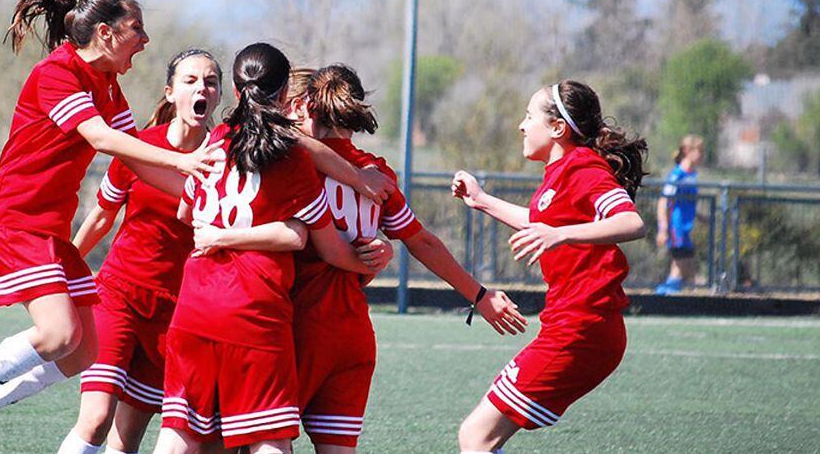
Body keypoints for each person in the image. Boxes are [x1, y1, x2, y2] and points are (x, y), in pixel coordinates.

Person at [0, 0, 223, 454]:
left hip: (50, 231)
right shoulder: (57, 73)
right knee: (59, 333)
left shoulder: (109, 88)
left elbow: (136, 162)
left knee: (83, 349)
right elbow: (102, 139)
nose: (144, 40)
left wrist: (209, 195)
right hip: (15, 219)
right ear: (105, 33)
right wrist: (182, 160)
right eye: (135, 28)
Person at [197, 64, 526, 453]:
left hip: (296, 329)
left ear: (303, 107)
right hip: (353, 335)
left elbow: (293, 235)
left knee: (236, 444)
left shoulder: (291, 162)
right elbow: (422, 242)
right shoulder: (378, 173)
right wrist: (479, 295)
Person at [154, 43, 388, 454]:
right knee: (269, 439)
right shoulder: (289, 156)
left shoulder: (218, 140)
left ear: (236, 89)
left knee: (181, 436)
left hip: (193, 307)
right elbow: (305, 238)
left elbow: (185, 211)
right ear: (284, 96)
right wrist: (368, 262)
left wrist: (219, 233)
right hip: (253, 312)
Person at [451, 80, 647, 453]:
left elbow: (631, 223)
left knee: (476, 435)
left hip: (582, 329)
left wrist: (561, 236)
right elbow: (541, 222)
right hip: (572, 326)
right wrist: (480, 200)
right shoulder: (561, 173)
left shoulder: (584, 168)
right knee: (480, 437)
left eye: (529, 116)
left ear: (558, 128)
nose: (521, 126)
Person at [53, 48, 224, 454]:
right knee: (95, 420)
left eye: (211, 81)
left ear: (219, 96)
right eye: (190, 80)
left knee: (126, 439)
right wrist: (62, 274)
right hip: (119, 296)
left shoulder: (224, 158)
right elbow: (99, 218)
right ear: (169, 93)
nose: (202, 87)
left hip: (177, 312)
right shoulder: (137, 150)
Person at [655, 135, 702, 295]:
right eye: (698, 151)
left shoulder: (692, 175)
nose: (701, 155)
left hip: (686, 228)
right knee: (681, 266)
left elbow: (688, 202)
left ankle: (672, 296)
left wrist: (701, 217)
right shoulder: (677, 175)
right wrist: (663, 228)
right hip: (677, 227)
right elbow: (664, 201)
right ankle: (663, 296)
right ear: (687, 151)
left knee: (687, 267)